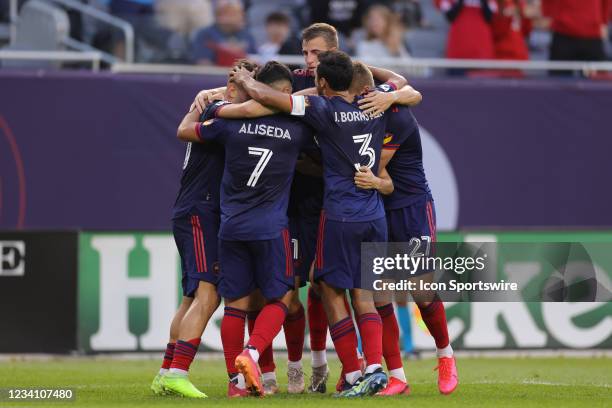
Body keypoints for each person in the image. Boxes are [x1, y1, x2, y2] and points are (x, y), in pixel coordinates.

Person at [177, 61, 315, 398]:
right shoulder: (296, 131)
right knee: (283, 295)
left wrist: (212, 101)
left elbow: (186, 131)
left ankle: (235, 385)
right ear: (280, 93)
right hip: (270, 228)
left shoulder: (227, 125)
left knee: (235, 305)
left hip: (231, 228)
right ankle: (250, 353)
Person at [150, 59, 257, 399]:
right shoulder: (222, 113)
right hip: (201, 211)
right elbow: (258, 108)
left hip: (193, 210)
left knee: (192, 296)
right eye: (242, 83)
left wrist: (210, 93)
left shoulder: (212, 106)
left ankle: (166, 372)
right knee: (209, 294)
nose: (250, 91)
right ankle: (179, 372)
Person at [351, 62, 459, 396]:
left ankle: (445, 355)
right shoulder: (362, 112)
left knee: (420, 289)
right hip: (378, 209)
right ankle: (397, 376)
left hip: (410, 207)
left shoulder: (395, 115)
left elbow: (374, 169)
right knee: (379, 291)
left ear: (367, 94)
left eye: (353, 97)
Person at [542, 0, 611, 76]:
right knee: (557, 82)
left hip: (591, 34)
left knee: (599, 83)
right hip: (563, 32)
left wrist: (604, 21)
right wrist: (547, 14)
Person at [191, 0, 257, 66]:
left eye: (236, 13)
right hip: (216, 74)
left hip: (242, 74)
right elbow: (203, 63)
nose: (240, 17)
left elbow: (254, 61)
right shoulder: (205, 34)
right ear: (218, 15)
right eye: (228, 13)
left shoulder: (246, 35)